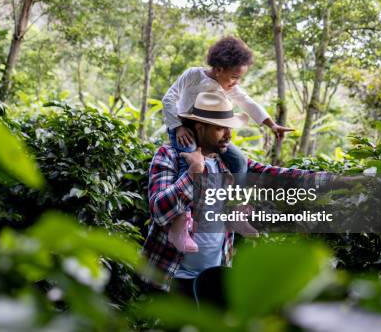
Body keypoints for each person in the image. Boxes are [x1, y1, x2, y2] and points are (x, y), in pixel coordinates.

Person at [142, 91, 332, 295]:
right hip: (170, 276)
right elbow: (159, 212)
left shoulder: (228, 162)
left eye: (229, 128)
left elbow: (275, 175)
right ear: (200, 127)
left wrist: (336, 181)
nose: (228, 135)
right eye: (220, 128)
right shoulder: (170, 155)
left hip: (212, 277)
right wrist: (193, 172)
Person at [162, 36, 294, 252]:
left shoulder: (228, 86)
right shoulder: (193, 75)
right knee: (190, 166)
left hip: (210, 133)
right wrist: (177, 126)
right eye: (234, 77)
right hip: (184, 129)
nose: (236, 83)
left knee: (239, 161)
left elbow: (247, 102)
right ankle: (178, 226)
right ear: (219, 69)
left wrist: (272, 124)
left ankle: (236, 212)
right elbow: (169, 98)